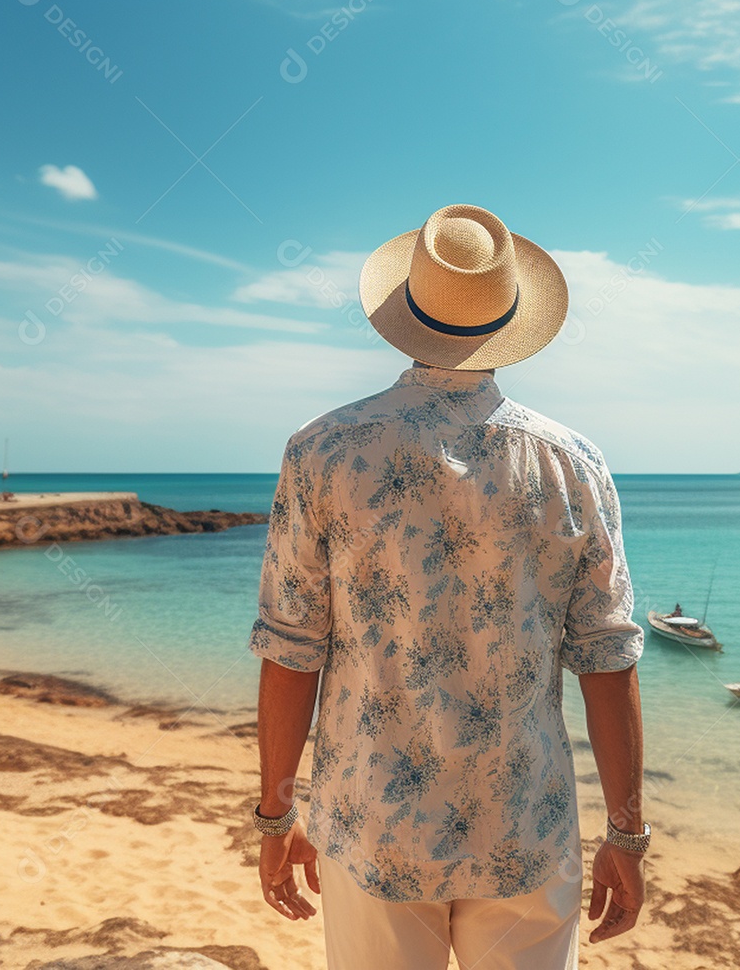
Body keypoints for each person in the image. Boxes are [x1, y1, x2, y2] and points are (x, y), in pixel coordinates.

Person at [249, 204, 647, 969]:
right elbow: (607, 657)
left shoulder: (324, 450)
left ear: (404, 313)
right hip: (525, 826)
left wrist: (276, 814)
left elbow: (291, 649)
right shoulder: (572, 463)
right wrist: (625, 836)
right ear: (508, 323)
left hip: (372, 827)